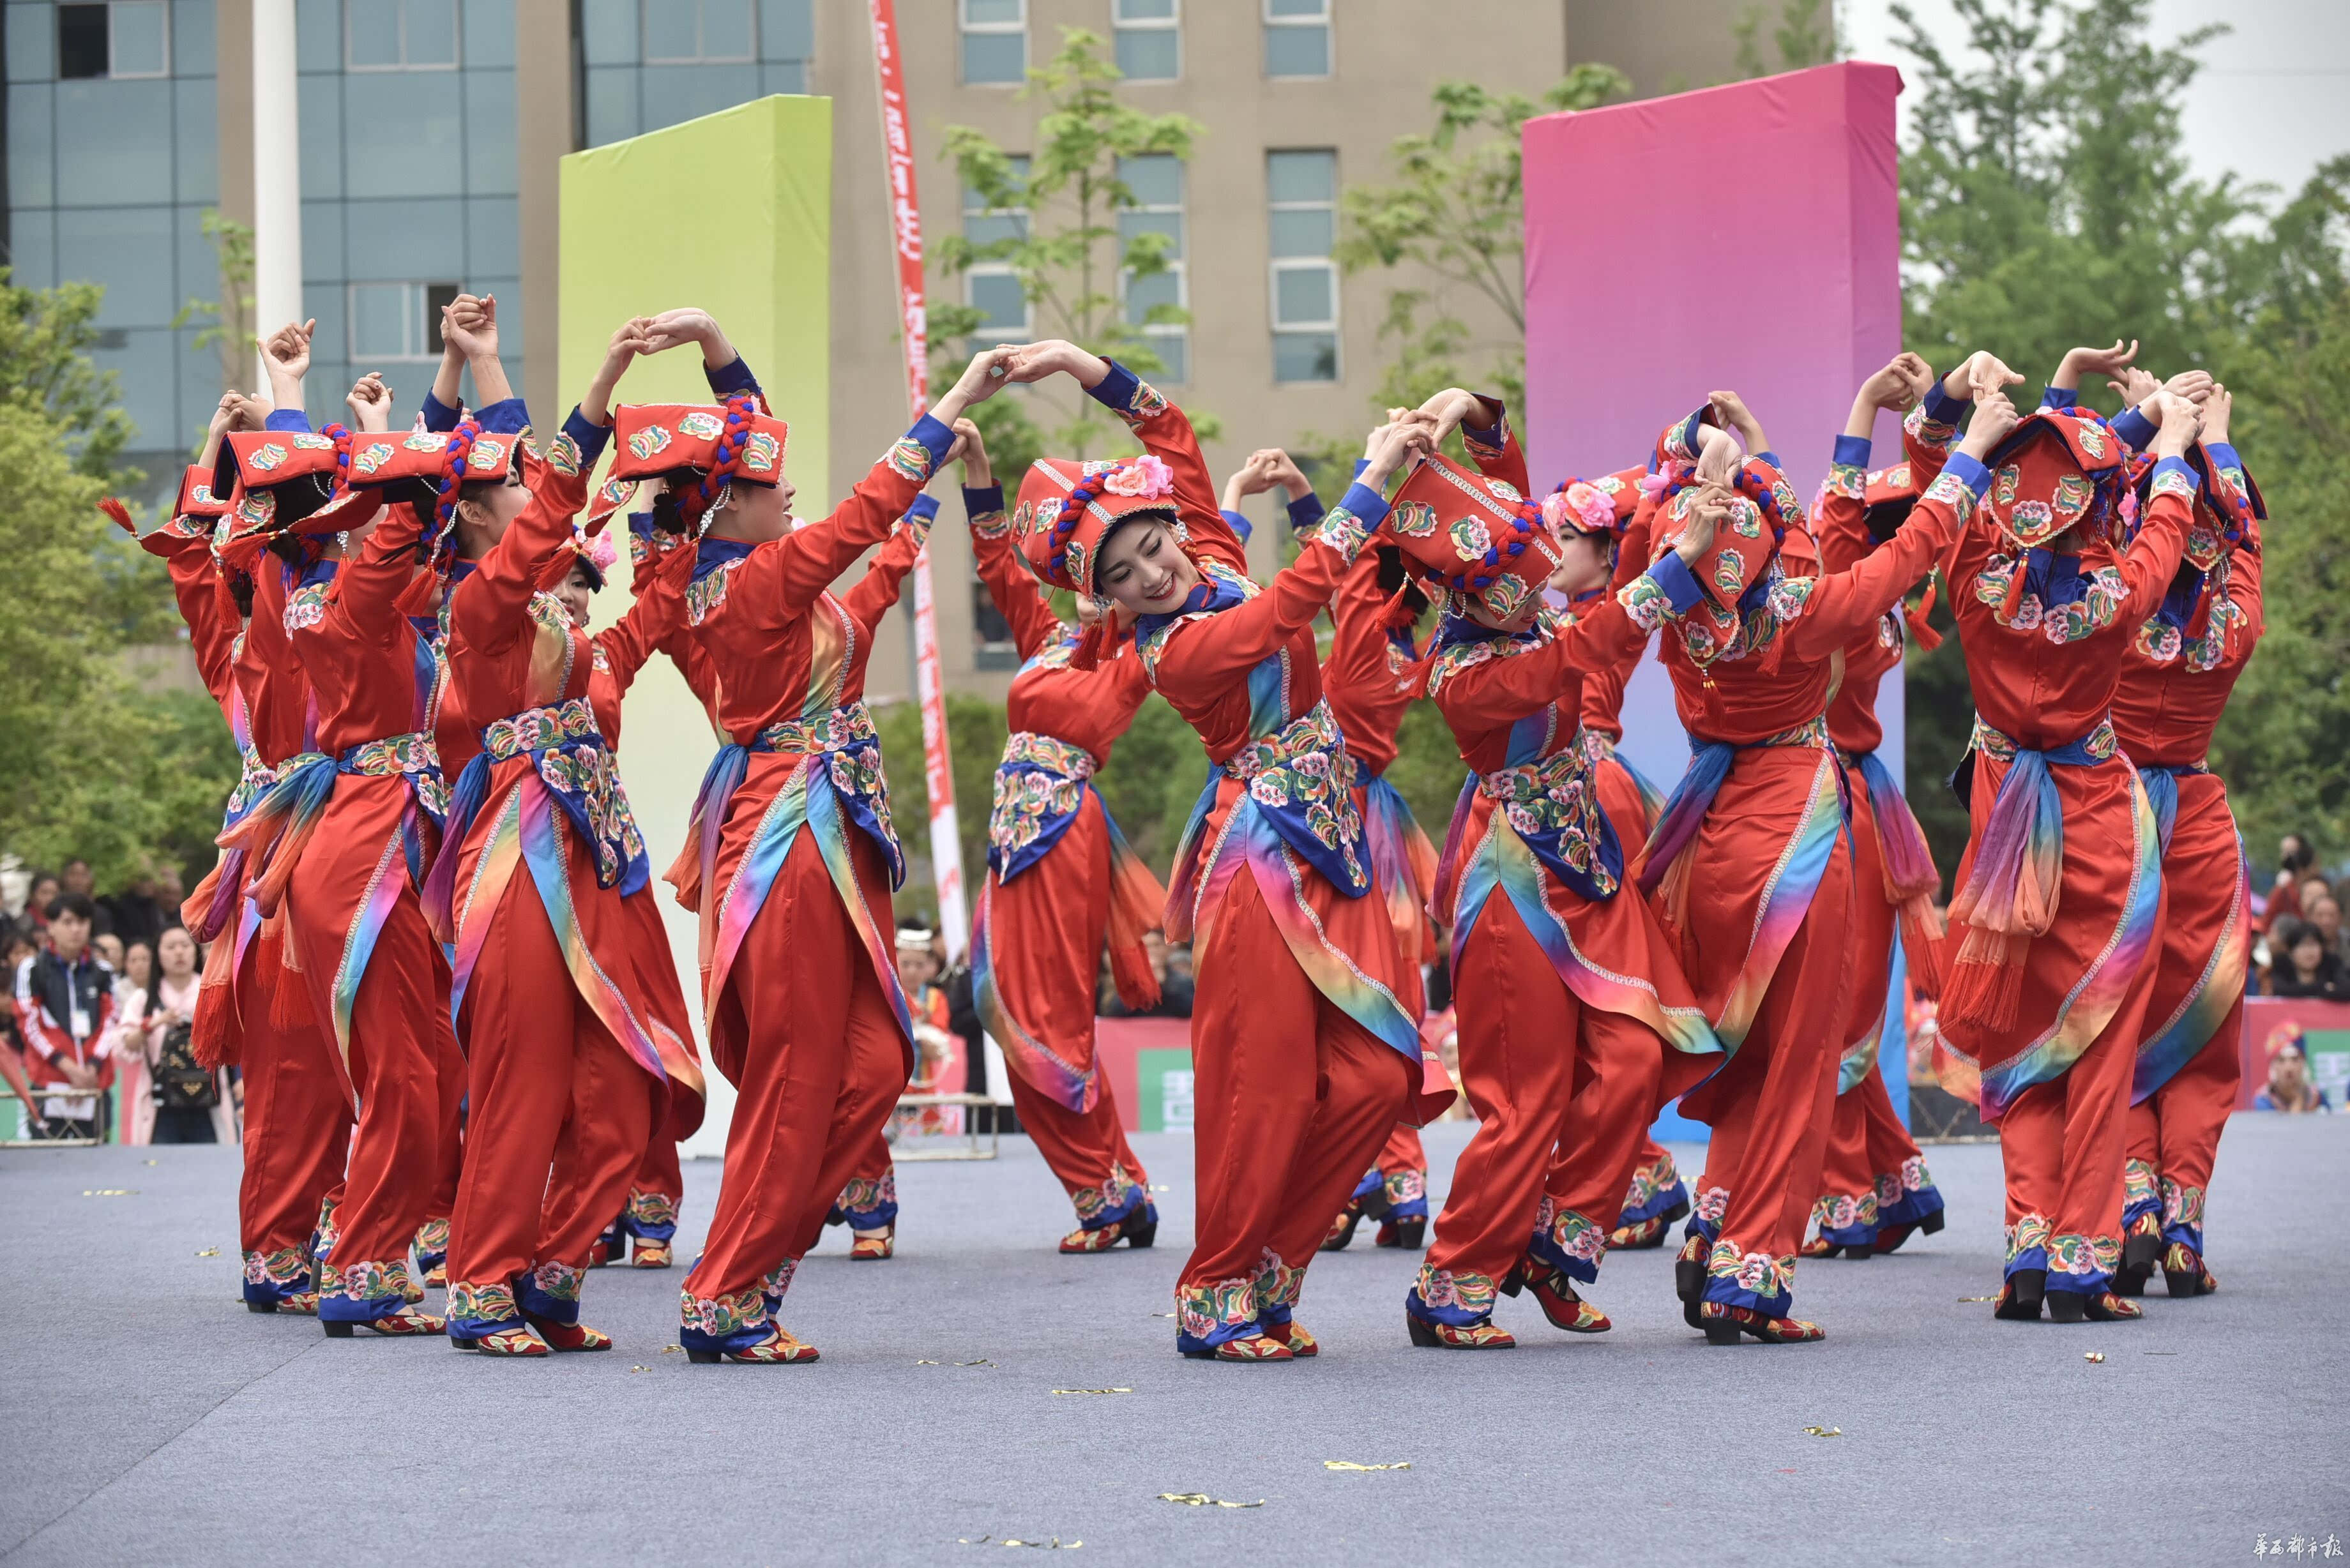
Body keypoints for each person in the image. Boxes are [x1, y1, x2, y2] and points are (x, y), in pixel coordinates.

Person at [1006, 336, 1444, 1362]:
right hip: (1258, 862)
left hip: (1327, 837)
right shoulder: (1181, 650)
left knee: (1379, 1079)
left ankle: (1271, 1274)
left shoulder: (1204, 561)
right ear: (1107, 601)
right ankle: (1214, 1290)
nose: (1154, 574)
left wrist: (1083, 363)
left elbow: (1170, 435)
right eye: (1125, 577)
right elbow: (1295, 605)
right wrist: (1374, 480)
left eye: (1152, 547)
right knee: (1265, 1087)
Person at [641, 313, 1006, 1365]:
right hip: (786, 839)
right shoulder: (752, 588)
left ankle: (747, 1272)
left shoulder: (737, 576)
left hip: (823, 830)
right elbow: (857, 515)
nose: (784, 486)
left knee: (877, 1060)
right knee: (805, 1072)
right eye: (766, 485)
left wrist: (715, 345)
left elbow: (786, 477)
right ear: (728, 508)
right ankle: (730, 1291)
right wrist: (952, 406)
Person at [1633, 378, 1998, 1346]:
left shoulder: (1672, 617)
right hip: (1799, 836)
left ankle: (1715, 1224)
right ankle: (1754, 1271)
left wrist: (1730, 465)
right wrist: (1973, 452)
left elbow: (1789, 541)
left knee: (1752, 1055)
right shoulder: (1818, 615)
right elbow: (1910, 545)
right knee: (1801, 1067)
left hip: (1709, 844)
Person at [1378, 391, 1727, 1351]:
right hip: (1514, 882)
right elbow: (1586, 644)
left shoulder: (1513, 600)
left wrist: (1475, 418)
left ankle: (1555, 1240)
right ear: (1456, 594)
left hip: (1587, 860)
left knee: (1637, 1057)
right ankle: (1453, 1284)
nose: (1532, 579)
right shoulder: (1465, 675)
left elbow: (1513, 505)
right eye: (1505, 579)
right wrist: (1679, 566)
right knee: (1523, 1099)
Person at [413, 304, 670, 1359]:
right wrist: (605, 374)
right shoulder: (478, 613)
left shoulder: (560, 621)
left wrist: (484, 361)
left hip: (593, 850)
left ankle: (551, 1278)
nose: (537, 492)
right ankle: (481, 1288)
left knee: (619, 1088)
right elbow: (545, 495)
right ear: (477, 519)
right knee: (519, 1078)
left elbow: (540, 485)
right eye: (510, 490)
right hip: (517, 848)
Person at [1929, 379, 2204, 1328]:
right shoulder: (2119, 591)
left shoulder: (1972, 577)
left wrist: (1972, 418)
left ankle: (2027, 1250)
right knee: (2100, 1046)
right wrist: (2170, 436)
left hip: (2005, 828)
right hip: (2096, 831)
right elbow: (2167, 524)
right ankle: (2087, 1260)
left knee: (2022, 1039)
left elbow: (1954, 498)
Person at [213, 333, 462, 1339]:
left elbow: (352, 506)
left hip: (344, 837)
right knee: (334, 1071)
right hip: (336, 842)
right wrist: (371, 435)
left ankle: (355, 1247)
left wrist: (290, 400)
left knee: (394, 1067)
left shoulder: (301, 586)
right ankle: (330, 1256)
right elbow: (406, 507)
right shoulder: (328, 593)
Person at [963, 411, 1171, 1253]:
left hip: (1062, 831)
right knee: (1021, 1007)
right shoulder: (1048, 639)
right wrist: (978, 466)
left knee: (1036, 1014)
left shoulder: (1146, 653)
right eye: (1105, 566)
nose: (1123, 579)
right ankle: (1117, 1185)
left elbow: (1203, 589)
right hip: (1016, 837)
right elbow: (993, 561)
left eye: (1128, 568)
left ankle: (1101, 1193)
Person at [1228, 435, 1439, 1260]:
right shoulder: (1402, 648)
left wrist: (1355, 480)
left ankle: (1353, 1182)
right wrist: (1309, 496)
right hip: (1371, 818)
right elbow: (1353, 577)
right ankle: (1403, 1179)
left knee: (1337, 1007)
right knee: (1384, 998)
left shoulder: (1356, 643)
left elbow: (1339, 580)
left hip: (1324, 825)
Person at [2107, 381, 2263, 1301]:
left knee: (2117, 1011)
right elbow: (2242, 544)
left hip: (2113, 813)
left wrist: (2157, 427)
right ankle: (2185, 1229)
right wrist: (2223, 443)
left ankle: (2130, 1206)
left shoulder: (2117, 609)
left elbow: (2103, 524)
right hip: (2200, 822)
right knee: (2204, 1030)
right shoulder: (2233, 621)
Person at [1801, 353, 1954, 1262]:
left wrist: (1863, 406)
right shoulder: (1886, 610)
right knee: (1845, 1001)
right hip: (1858, 798)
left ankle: (1849, 1193)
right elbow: (1847, 521)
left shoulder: (1850, 602)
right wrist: (1934, 415)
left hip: (1822, 804)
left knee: (1829, 1007)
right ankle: (1890, 1177)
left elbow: (1832, 520)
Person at [12, 894, 116, 1140]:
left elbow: (110, 1022)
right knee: (47, 1164)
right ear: (51, 926)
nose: (76, 929)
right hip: (50, 1084)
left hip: (94, 1082)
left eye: (82, 922)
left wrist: (91, 1068)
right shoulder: (32, 968)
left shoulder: (103, 971)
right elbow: (29, 1023)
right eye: (67, 922)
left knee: (99, 1165)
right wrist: (68, 1068)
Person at [139, 927, 235, 1144]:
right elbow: (125, 1043)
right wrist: (155, 1023)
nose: (179, 953)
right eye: (171, 947)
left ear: (195, 951)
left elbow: (236, 1039)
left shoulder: (216, 992)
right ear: (158, 955)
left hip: (209, 1098)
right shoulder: (144, 999)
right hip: (162, 1102)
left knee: (208, 1166)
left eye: (185, 945)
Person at [2252, 1028, 2330, 1112]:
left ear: (2303, 1063)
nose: (2289, 1068)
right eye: (2281, 1060)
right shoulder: (2264, 1099)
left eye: (2295, 1059)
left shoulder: (2316, 1096)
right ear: (2273, 1066)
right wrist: (2297, 1100)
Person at [2268, 919, 2344, 1000]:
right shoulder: (2281, 966)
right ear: (2290, 952)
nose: (2309, 951)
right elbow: (2281, 991)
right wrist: (2323, 988)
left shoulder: (2333, 964)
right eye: (2303, 945)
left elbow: (2345, 989)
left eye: (2313, 945)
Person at [2266, 834, 2316, 934]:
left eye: (2291, 852)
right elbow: (2267, 923)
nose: (2286, 857)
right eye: (2284, 852)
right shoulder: (2282, 891)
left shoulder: (2319, 887)